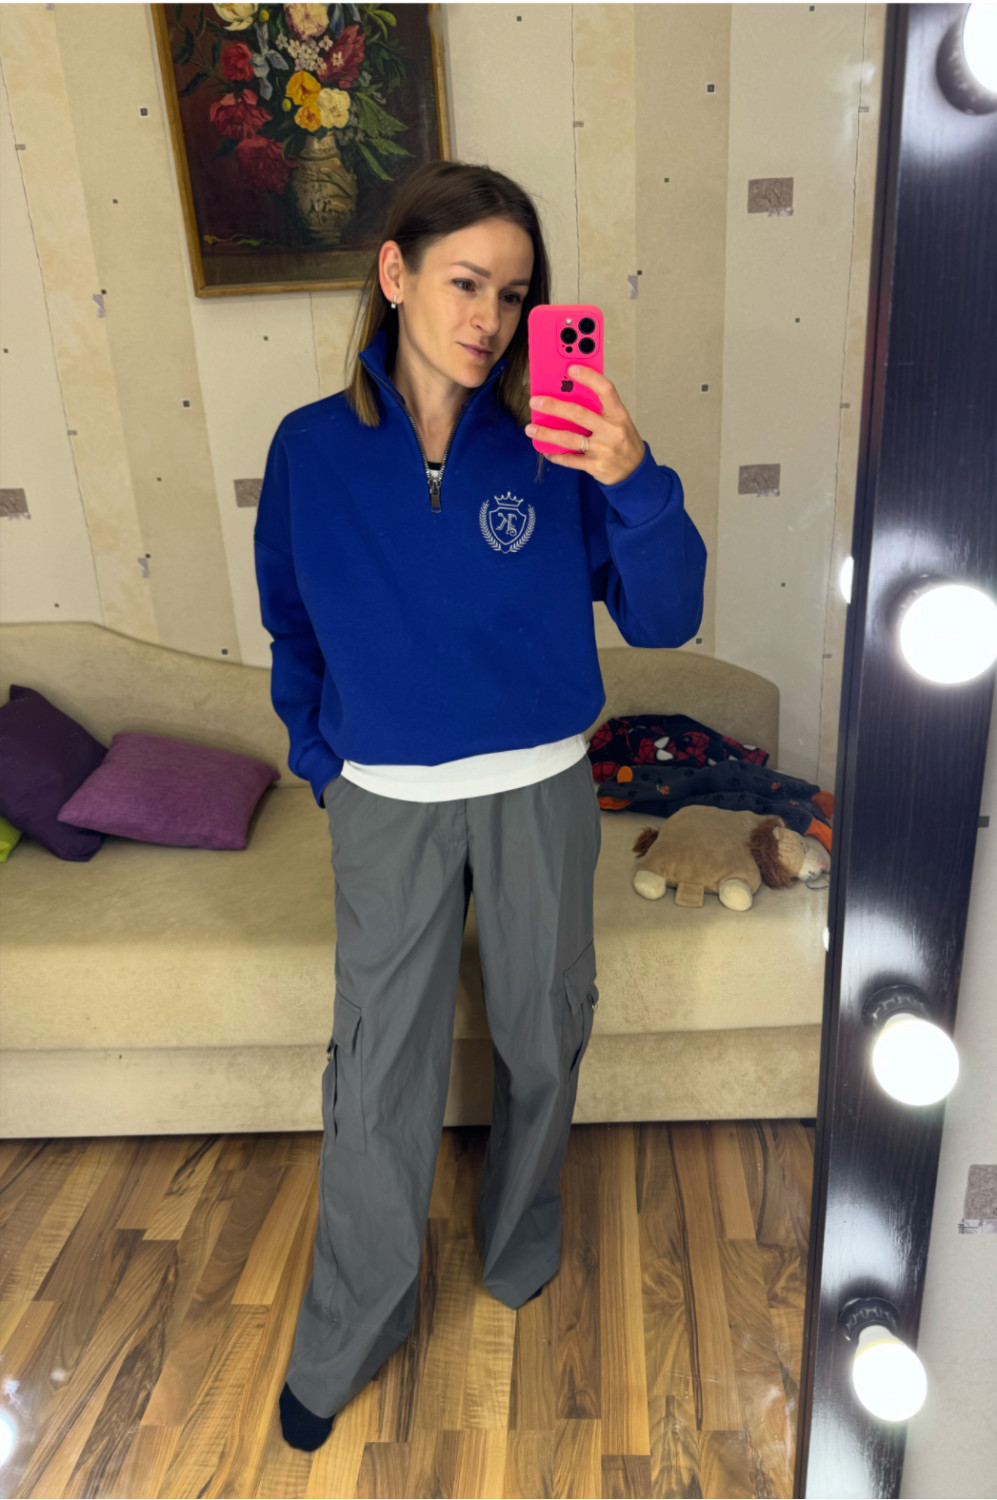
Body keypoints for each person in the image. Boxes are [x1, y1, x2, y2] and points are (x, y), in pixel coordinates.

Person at [253, 159, 707, 1452]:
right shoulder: (309, 449)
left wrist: (634, 475)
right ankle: (356, 1322)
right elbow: (292, 624)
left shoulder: (559, 443)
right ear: (394, 275)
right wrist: (321, 760)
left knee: (543, 1035)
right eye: (465, 283)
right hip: (386, 801)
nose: (489, 318)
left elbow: (665, 618)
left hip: (539, 791)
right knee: (375, 1072)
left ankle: (518, 1244)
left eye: (513, 295)